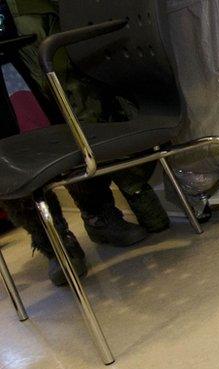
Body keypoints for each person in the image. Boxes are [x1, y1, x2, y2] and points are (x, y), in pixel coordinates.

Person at [0, 0, 170, 286]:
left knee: (72, 120)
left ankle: (99, 215)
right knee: (9, 160)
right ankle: (55, 244)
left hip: (31, 50)